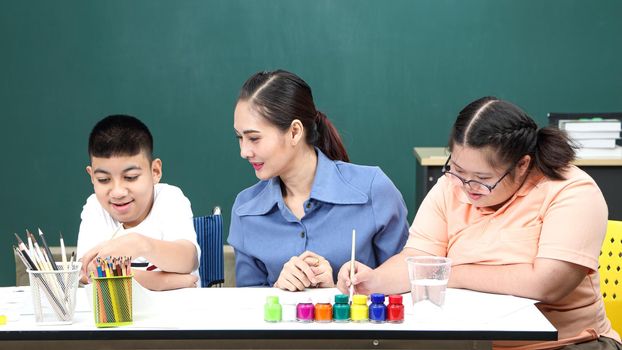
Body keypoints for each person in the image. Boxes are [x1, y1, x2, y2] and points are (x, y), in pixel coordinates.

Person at [337, 97, 621, 349]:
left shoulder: (571, 191)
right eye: (458, 170)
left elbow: (546, 283)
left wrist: (449, 274)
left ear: (522, 165)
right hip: (471, 340)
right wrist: (373, 281)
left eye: (483, 180)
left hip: (565, 343)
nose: (467, 187)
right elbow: (418, 258)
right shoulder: (452, 186)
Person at [228, 70, 409, 291]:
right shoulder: (246, 210)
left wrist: (336, 290)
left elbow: (405, 285)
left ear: (294, 132)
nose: (244, 151)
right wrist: (277, 289)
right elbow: (248, 307)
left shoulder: (373, 190)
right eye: (240, 138)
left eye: (254, 138)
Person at [77, 115, 200, 291]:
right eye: (103, 179)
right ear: (92, 177)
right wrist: (167, 282)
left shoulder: (170, 198)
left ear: (155, 171)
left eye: (130, 177)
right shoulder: (94, 207)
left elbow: (188, 260)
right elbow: (90, 276)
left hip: (176, 313)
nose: (118, 192)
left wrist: (139, 244)